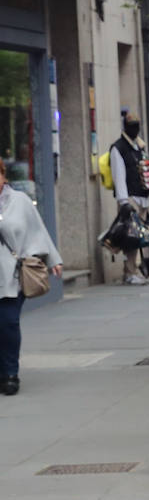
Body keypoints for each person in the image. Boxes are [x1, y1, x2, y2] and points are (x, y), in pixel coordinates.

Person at [0, 159, 63, 395]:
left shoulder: (20, 202)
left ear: (3, 175)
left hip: (13, 276)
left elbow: (39, 230)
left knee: (8, 323)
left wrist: (53, 260)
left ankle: (10, 374)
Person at [109, 113, 149, 285]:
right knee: (130, 238)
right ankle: (130, 272)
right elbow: (119, 175)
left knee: (139, 237)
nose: (135, 129)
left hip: (142, 197)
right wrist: (123, 202)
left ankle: (135, 269)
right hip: (130, 199)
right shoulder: (118, 148)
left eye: (137, 125)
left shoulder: (139, 147)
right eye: (132, 126)